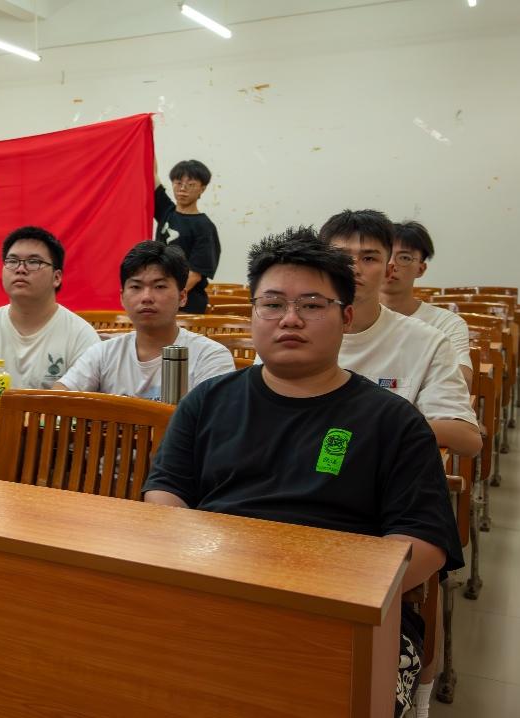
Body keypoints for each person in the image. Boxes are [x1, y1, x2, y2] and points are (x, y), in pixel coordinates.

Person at [142, 228, 462, 717]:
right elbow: (165, 491)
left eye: (312, 305)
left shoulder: (393, 420)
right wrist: (205, 566)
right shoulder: (207, 401)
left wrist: (320, 586)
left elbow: (425, 542)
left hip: (346, 613)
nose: (289, 318)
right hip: (214, 590)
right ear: (253, 313)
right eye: (272, 304)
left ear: (346, 317)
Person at [319, 210, 481, 457]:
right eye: (341, 257)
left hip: (384, 469)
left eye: (369, 258)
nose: (354, 268)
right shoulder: (295, 330)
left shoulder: (428, 341)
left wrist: (371, 428)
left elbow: (468, 439)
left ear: (388, 270)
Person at [56, 241, 234, 399]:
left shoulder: (210, 357)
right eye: (136, 287)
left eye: (159, 286)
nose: (146, 297)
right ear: (122, 297)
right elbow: (58, 399)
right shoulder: (103, 354)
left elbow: (217, 420)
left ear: (182, 297)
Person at [0, 226, 98, 389]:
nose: (20, 269)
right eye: (12, 261)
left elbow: (80, 403)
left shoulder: (81, 336)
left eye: (34, 262)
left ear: (56, 277)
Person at [379, 221, 473, 386]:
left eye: (404, 258)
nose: (392, 264)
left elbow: (462, 381)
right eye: (386, 255)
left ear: (421, 269)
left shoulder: (446, 323)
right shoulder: (351, 317)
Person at [153, 158, 220, 314]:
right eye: (178, 183)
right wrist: (146, 140)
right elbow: (152, 173)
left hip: (187, 304)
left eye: (191, 185)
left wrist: (166, 297)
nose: (183, 189)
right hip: (160, 297)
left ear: (202, 188)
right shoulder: (166, 211)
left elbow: (194, 275)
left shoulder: (205, 227)